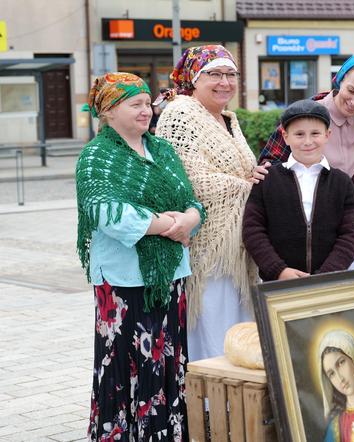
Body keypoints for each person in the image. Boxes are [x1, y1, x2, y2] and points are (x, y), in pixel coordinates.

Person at [76, 72, 205, 441]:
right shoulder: (96, 156)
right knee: (123, 365)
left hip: (170, 276)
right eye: (135, 104)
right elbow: (104, 211)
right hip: (122, 281)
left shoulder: (162, 149)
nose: (146, 110)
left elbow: (190, 199)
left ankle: (165, 432)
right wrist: (167, 224)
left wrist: (191, 218)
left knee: (166, 362)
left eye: (148, 103)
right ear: (109, 111)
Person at [155, 45, 257, 361]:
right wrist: (250, 187)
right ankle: (212, 403)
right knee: (214, 329)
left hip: (239, 246)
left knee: (239, 330)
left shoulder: (228, 119)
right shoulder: (180, 114)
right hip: (208, 247)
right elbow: (191, 180)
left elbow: (243, 169)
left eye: (230, 74)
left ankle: (238, 402)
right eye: (214, 74)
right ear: (194, 79)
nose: (224, 82)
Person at [254, 55, 354, 269]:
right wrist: (262, 172)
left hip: (346, 228)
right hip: (300, 229)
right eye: (351, 91)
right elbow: (272, 159)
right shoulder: (307, 113)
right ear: (338, 80)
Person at [242, 100, 354, 281]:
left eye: (315, 133)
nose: (308, 141)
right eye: (299, 134)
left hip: (328, 283)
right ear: (285, 136)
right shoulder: (267, 180)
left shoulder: (342, 182)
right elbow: (253, 230)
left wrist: (328, 274)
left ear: (327, 135)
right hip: (277, 282)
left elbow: (351, 233)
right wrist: (278, 270)